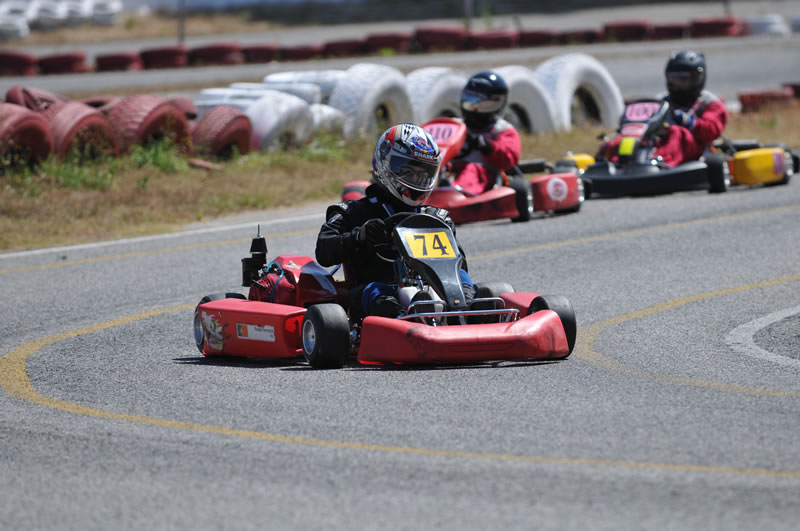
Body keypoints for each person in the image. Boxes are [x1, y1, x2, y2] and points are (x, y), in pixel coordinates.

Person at [316, 123, 475, 319]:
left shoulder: (436, 218)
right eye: (409, 172)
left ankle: (470, 309)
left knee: (461, 277)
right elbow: (323, 251)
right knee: (378, 292)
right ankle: (406, 321)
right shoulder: (354, 211)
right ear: (385, 164)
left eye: (423, 174)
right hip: (373, 293)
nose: (417, 180)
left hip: (435, 289)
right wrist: (359, 236)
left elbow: (459, 264)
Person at [597, 50, 728, 167]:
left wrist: (688, 121)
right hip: (657, 142)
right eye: (674, 79)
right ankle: (613, 162)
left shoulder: (709, 103)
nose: (679, 85)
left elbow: (711, 130)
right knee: (630, 137)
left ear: (698, 78)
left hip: (693, 147)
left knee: (676, 133)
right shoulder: (661, 101)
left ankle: (659, 163)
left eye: (684, 79)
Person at [449, 71, 522, 195]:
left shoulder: (502, 130)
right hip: (450, 170)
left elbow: (509, 158)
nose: (474, 108)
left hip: (483, 175)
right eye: (470, 101)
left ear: (499, 103)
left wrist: (486, 146)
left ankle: (456, 194)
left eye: (483, 104)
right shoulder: (454, 125)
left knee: (472, 169)